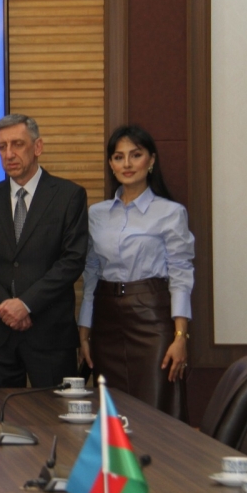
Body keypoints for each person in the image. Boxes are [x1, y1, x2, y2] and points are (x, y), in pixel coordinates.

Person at [0, 114, 88, 388]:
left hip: (50, 332)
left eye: (17, 144)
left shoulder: (69, 195)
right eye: (2, 146)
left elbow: (72, 260)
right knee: (2, 412)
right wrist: (6, 306)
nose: (9, 154)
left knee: (54, 413)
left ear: (37, 146)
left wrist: (26, 304)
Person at [79, 125, 193, 419]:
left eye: (136, 155)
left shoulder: (170, 212)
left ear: (151, 160)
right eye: (119, 157)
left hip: (151, 318)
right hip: (106, 320)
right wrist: (84, 330)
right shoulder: (96, 214)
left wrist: (181, 335)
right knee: (111, 415)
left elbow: (181, 273)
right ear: (111, 164)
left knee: (155, 411)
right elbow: (91, 273)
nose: (127, 164)